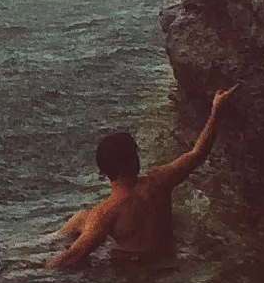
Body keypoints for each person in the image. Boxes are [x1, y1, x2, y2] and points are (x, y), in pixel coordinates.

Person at [50, 85, 235, 269]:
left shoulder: (106, 213)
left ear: (102, 173)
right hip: (167, 264)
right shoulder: (160, 181)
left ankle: (46, 241)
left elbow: (72, 256)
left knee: (81, 220)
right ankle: (51, 238)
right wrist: (216, 110)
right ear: (135, 160)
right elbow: (198, 153)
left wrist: (41, 271)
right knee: (82, 218)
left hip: (133, 271)